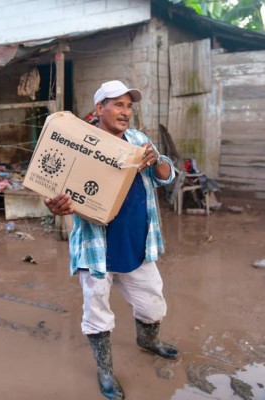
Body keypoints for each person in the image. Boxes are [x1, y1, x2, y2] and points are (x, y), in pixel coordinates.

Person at [44, 80, 178, 400]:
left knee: (152, 303)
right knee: (97, 311)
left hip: (137, 242)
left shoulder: (138, 141)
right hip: (97, 247)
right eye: (118, 104)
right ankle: (105, 371)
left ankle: (148, 340)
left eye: (129, 106)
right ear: (99, 108)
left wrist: (157, 158)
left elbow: (167, 175)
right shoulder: (79, 143)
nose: (126, 112)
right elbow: (54, 188)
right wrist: (54, 204)